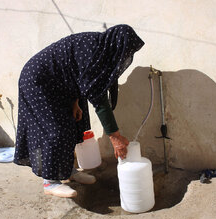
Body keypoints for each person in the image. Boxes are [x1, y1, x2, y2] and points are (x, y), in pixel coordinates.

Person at [14, 24, 145, 198]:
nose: (125, 57)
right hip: (37, 82)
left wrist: (75, 102)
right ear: (117, 46)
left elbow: (75, 73)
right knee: (54, 130)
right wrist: (115, 137)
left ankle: (67, 171)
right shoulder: (94, 53)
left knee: (74, 123)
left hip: (60, 84)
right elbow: (100, 101)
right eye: (125, 52)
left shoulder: (101, 49)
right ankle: (50, 181)